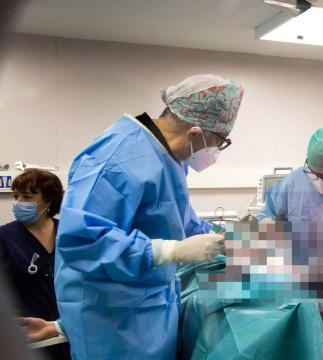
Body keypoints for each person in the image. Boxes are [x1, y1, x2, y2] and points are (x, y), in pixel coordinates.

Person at [54, 74, 244, 359]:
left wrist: (234, 238)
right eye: (220, 142)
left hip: (147, 311)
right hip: (111, 322)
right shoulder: (117, 156)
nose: (217, 151)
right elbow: (81, 241)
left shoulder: (171, 160)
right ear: (195, 132)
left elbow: (182, 221)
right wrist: (171, 250)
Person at [257, 126, 323, 279]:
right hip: (300, 275)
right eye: (314, 174)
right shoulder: (291, 183)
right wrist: (265, 226)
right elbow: (266, 217)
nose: (321, 181)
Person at [0, 169, 70, 359]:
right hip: (30, 335)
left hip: (70, 331)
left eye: (27, 196)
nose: (18, 202)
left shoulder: (68, 233)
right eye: (16, 196)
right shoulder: (5, 237)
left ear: (48, 200)